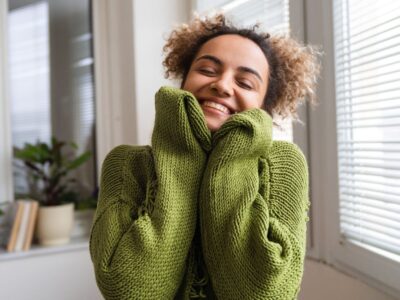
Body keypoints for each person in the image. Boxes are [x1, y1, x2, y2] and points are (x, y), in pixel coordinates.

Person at [89, 14, 320, 300]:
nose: (222, 85)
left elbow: (264, 293)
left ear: (264, 107)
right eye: (208, 70)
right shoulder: (125, 164)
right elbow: (128, 290)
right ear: (184, 81)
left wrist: (234, 155)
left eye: (245, 83)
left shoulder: (285, 163)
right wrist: (181, 153)